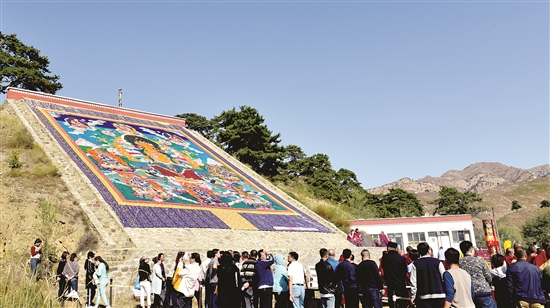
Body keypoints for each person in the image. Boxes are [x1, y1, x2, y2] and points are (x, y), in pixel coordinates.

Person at [459, 241, 496, 308]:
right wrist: (490, 284)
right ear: (471, 250)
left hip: (469, 294)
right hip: (483, 291)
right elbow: (488, 276)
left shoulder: (460, 263)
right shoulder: (478, 260)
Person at [410, 242, 446, 308]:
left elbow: (413, 281)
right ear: (428, 250)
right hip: (439, 294)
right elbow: (444, 277)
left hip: (423, 296)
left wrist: (413, 296)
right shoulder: (437, 262)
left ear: (419, 252)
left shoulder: (416, 264)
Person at [381, 241, 408, 308]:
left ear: (388, 248)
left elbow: (384, 268)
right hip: (400, 282)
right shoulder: (401, 258)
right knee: (401, 301)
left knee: (392, 302)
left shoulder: (385, 258)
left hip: (390, 282)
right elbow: (404, 270)